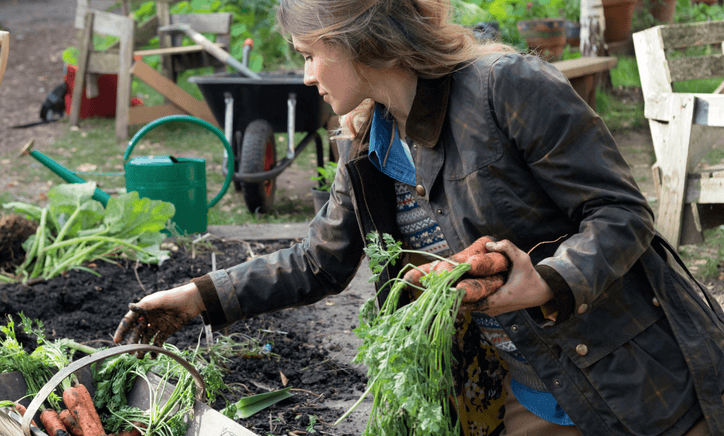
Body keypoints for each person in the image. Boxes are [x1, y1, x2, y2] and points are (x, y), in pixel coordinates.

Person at [113, 0, 724, 434]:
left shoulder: (505, 86)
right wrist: (196, 298)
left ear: (358, 40)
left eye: (309, 55)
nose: (304, 76)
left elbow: (620, 212)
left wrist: (546, 279)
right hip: (529, 395)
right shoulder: (368, 140)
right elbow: (317, 262)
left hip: (637, 382)